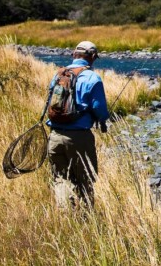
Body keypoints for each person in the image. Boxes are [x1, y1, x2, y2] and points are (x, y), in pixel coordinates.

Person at [47, 40, 109, 208]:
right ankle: (86, 220)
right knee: (85, 180)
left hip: (54, 136)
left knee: (60, 180)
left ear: (74, 55)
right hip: (79, 137)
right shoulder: (93, 78)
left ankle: (65, 219)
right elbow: (99, 109)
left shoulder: (59, 75)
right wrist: (103, 120)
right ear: (93, 58)